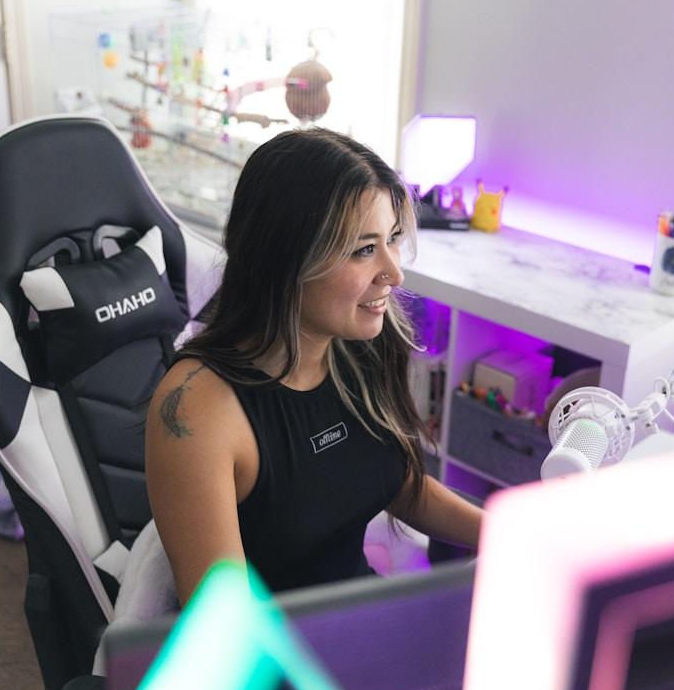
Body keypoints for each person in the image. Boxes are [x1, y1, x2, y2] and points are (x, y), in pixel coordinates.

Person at [146, 127, 483, 605]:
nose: (394, 272)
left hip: (363, 619)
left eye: (391, 240)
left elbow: (398, 483)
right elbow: (223, 627)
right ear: (285, 261)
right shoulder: (199, 411)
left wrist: (509, 535)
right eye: (364, 250)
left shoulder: (357, 346)